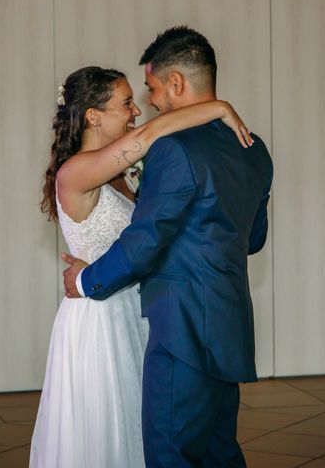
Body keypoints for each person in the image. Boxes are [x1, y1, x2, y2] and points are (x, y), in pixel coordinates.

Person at [62, 27, 274, 467]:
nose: (151, 103)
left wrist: (85, 280)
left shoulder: (173, 146)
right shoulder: (254, 150)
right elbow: (253, 239)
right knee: (220, 452)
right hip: (228, 322)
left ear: (175, 83)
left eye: (154, 89)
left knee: (171, 454)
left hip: (182, 331)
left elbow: (145, 243)